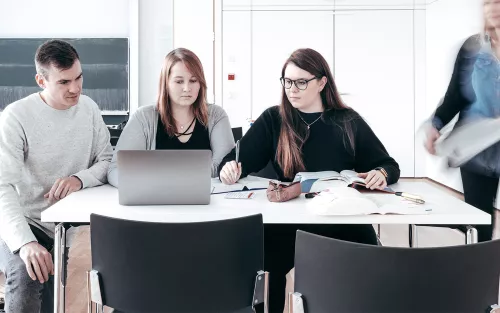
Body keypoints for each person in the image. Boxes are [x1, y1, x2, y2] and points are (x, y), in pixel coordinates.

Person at [218, 48, 400, 312]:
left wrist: (381, 174)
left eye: (301, 82)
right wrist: (229, 169)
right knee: (260, 261)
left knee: (371, 264)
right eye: (287, 81)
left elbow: (388, 165)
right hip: (288, 222)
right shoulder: (274, 119)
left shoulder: (347, 121)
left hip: (340, 218)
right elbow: (236, 161)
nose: (292, 89)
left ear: (322, 82)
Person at [0, 39, 113, 313]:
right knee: (27, 278)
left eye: (79, 78)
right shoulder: (16, 117)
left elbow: (107, 161)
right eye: (64, 82)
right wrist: (25, 243)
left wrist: (79, 179)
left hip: (74, 225)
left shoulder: (89, 109)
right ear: (41, 80)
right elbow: (3, 187)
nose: (75, 88)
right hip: (29, 223)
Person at [424, 0, 500, 242]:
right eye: (489, 2)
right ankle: (482, 277)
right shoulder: (473, 47)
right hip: (476, 148)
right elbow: (455, 95)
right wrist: (435, 124)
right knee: (480, 221)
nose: (494, 8)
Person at [107, 48, 234, 186]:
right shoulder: (143, 118)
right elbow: (115, 169)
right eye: (179, 81)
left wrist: (160, 175)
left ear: (200, 83)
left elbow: (223, 167)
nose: (187, 88)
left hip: (207, 202)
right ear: (165, 84)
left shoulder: (216, 115)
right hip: (155, 200)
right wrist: (141, 183)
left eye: (193, 80)